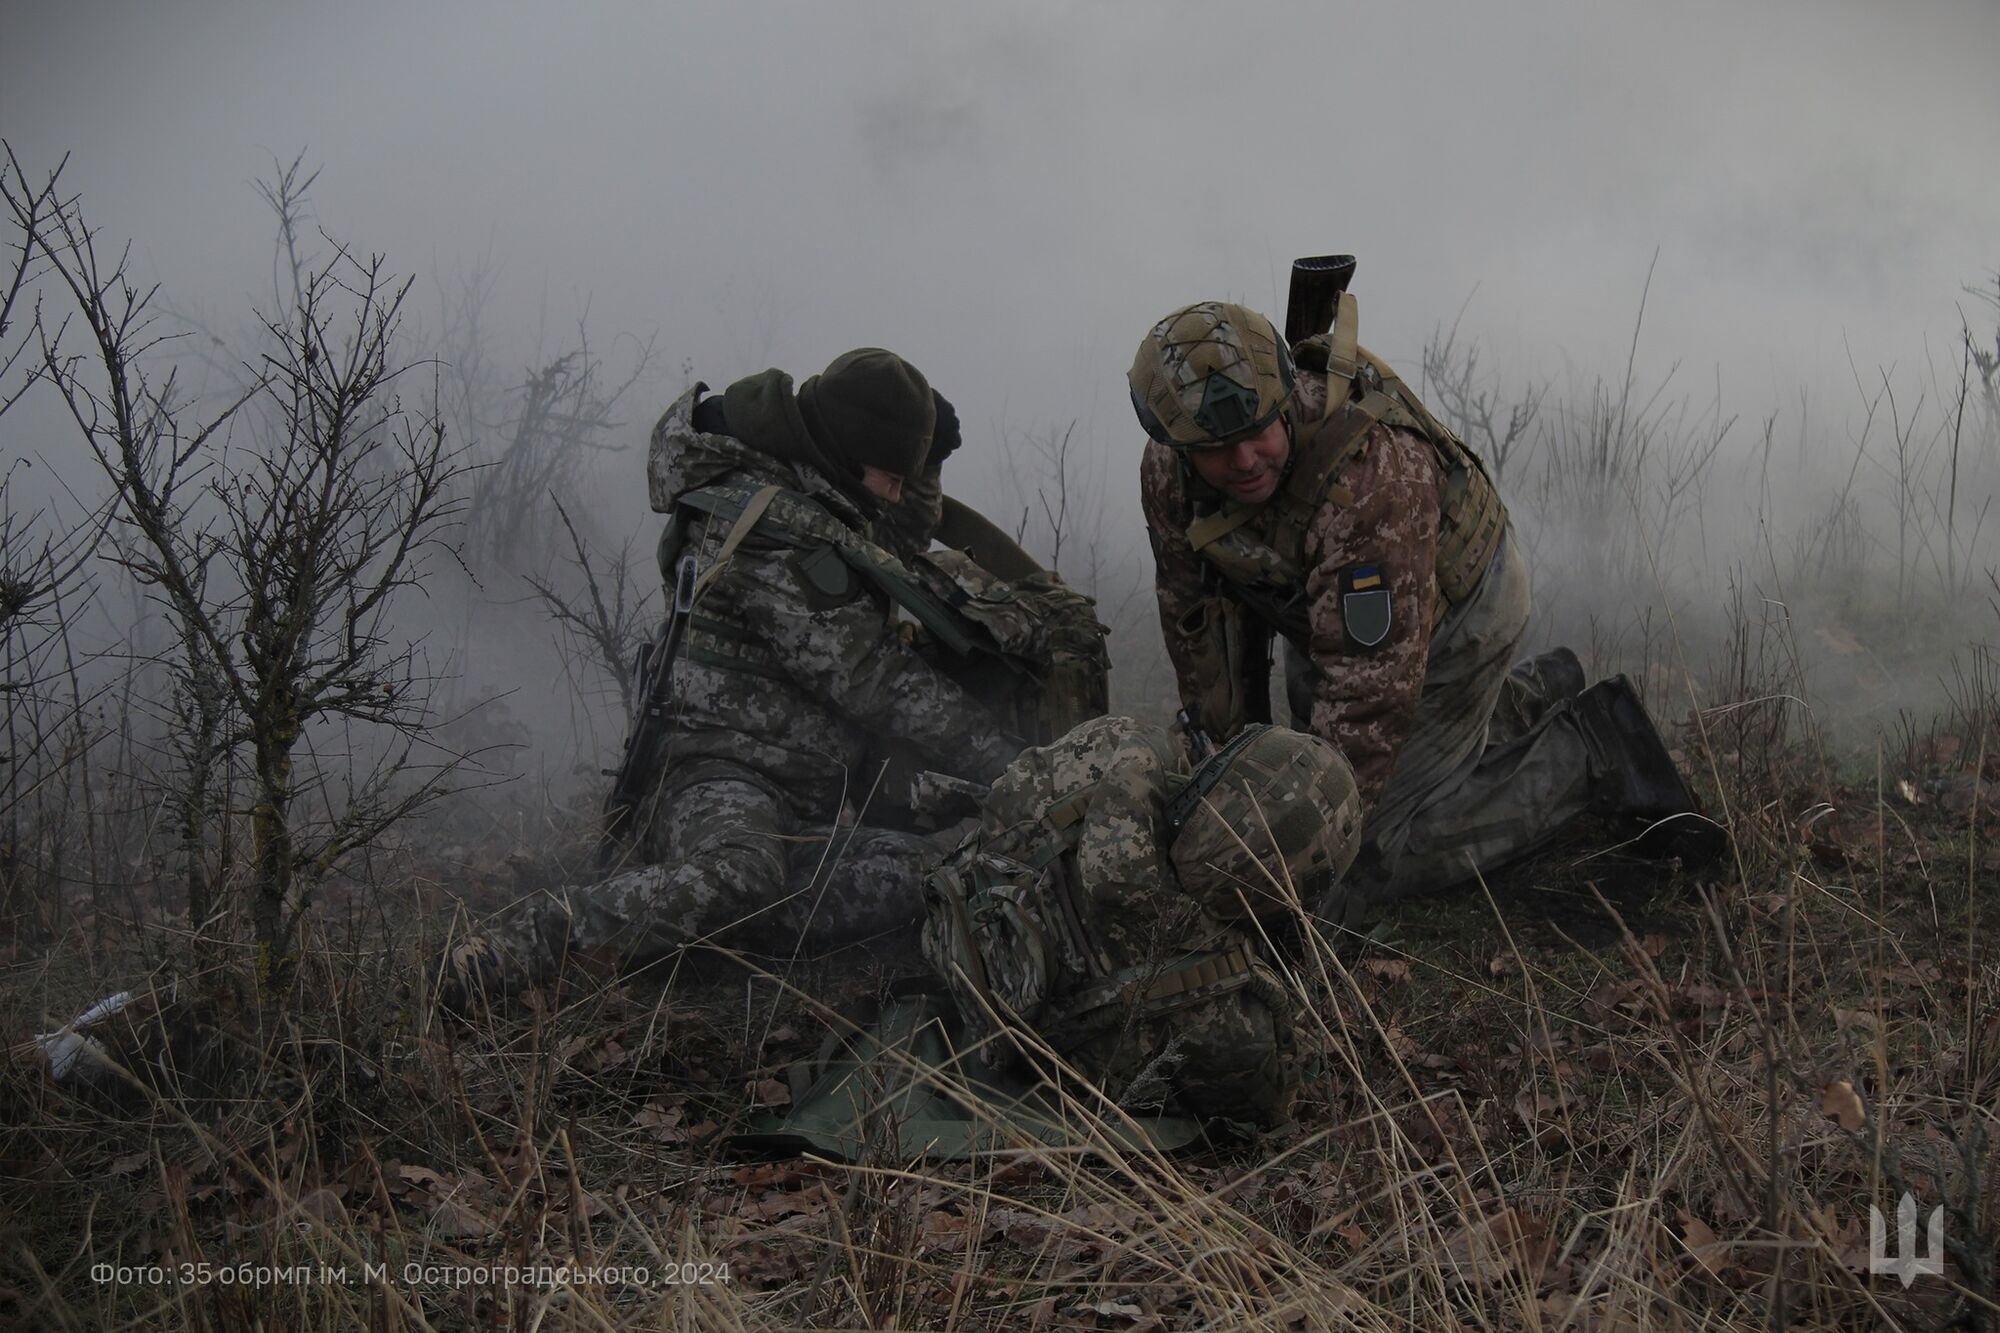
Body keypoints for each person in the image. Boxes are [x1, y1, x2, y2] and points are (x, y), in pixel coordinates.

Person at [441, 349, 1030, 1010]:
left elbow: (900, 533)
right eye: (891, 475)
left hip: (797, 802)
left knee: (929, 874)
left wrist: (927, 466)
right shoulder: (771, 526)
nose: (896, 492)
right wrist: (1020, 767)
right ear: (845, 452)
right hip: (715, 774)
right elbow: (872, 679)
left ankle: (706, 929)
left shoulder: (826, 493)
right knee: (744, 874)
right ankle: (532, 939)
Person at [1126, 297, 1722, 916]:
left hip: (1458, 611)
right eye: (1217, 448)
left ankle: (1593, 752)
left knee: (1373, 853)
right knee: (1299, 771)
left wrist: (1315, 853)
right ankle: (1534, 694)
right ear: (1176, 443)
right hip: (1328, 612)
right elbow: (1192, 613)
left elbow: (1369, 695)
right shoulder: (1170, 472)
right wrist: (1219, 765)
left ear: (1282, 401)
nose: (1244, 461)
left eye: (1256, 433)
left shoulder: (1368, 477)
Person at [921, 715, 1363, 1129]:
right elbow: (1276, 1103)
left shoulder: (1117, 746)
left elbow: (1005, 796)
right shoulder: (1237, 1016)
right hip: (1014, 1049)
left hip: (953, 912)